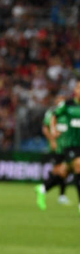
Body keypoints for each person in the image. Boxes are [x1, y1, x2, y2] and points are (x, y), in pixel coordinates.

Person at [35, 95, 70, 209]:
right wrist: (52, 140)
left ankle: (49, 190)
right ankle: (49, 189)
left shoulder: (68, 112)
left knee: (63, 171)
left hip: (68, 146)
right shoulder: (52, 113)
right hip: (58, 147)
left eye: (63, 101)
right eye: (59, 101)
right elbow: (45, 128)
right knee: (60, 170)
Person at [51, 81, 80, 214]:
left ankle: (44, 187)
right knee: (78, 166)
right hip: (71, 145)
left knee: (63, 172)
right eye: (79, 87)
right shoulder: (67, 104)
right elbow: (54, 116)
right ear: (75, 90)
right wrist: (53, 130)